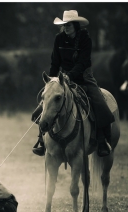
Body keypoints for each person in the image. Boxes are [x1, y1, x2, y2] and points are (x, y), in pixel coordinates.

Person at [32, 10, 115, 157]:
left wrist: (70, 76)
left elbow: (84, 62)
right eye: (64, 25)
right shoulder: (58, 39)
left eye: (68, 25)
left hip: (84, 77)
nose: (66, 27)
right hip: (62, 78)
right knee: (44, 104)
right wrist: (52, 81)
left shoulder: (85, 39)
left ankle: (102, 141)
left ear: (76, 25)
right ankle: (42, 141)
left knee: (99, 103)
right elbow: (55, 62)